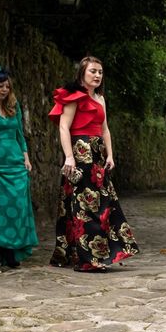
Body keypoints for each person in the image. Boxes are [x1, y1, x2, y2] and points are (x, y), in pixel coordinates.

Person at [48, 56, 139, 272]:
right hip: (81, 154)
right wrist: (69, 157)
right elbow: (63, 127)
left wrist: (110, 155)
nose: (97, 75)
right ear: (82, 73)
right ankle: (89, 259)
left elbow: (105, 128)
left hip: (98, 156)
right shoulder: (73, 96)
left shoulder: (100, 98)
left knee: (103, 203)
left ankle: (98, 253)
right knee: (84, 207)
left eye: (100, 72)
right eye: (93, 71)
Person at [0, 64, 38, 268]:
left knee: (17, 206)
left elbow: (19, 135)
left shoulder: (13, 107)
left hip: (15, 163)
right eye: (1, 86)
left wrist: (26, 157)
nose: (5, 89)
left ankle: (12, 250)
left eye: (7, 86)